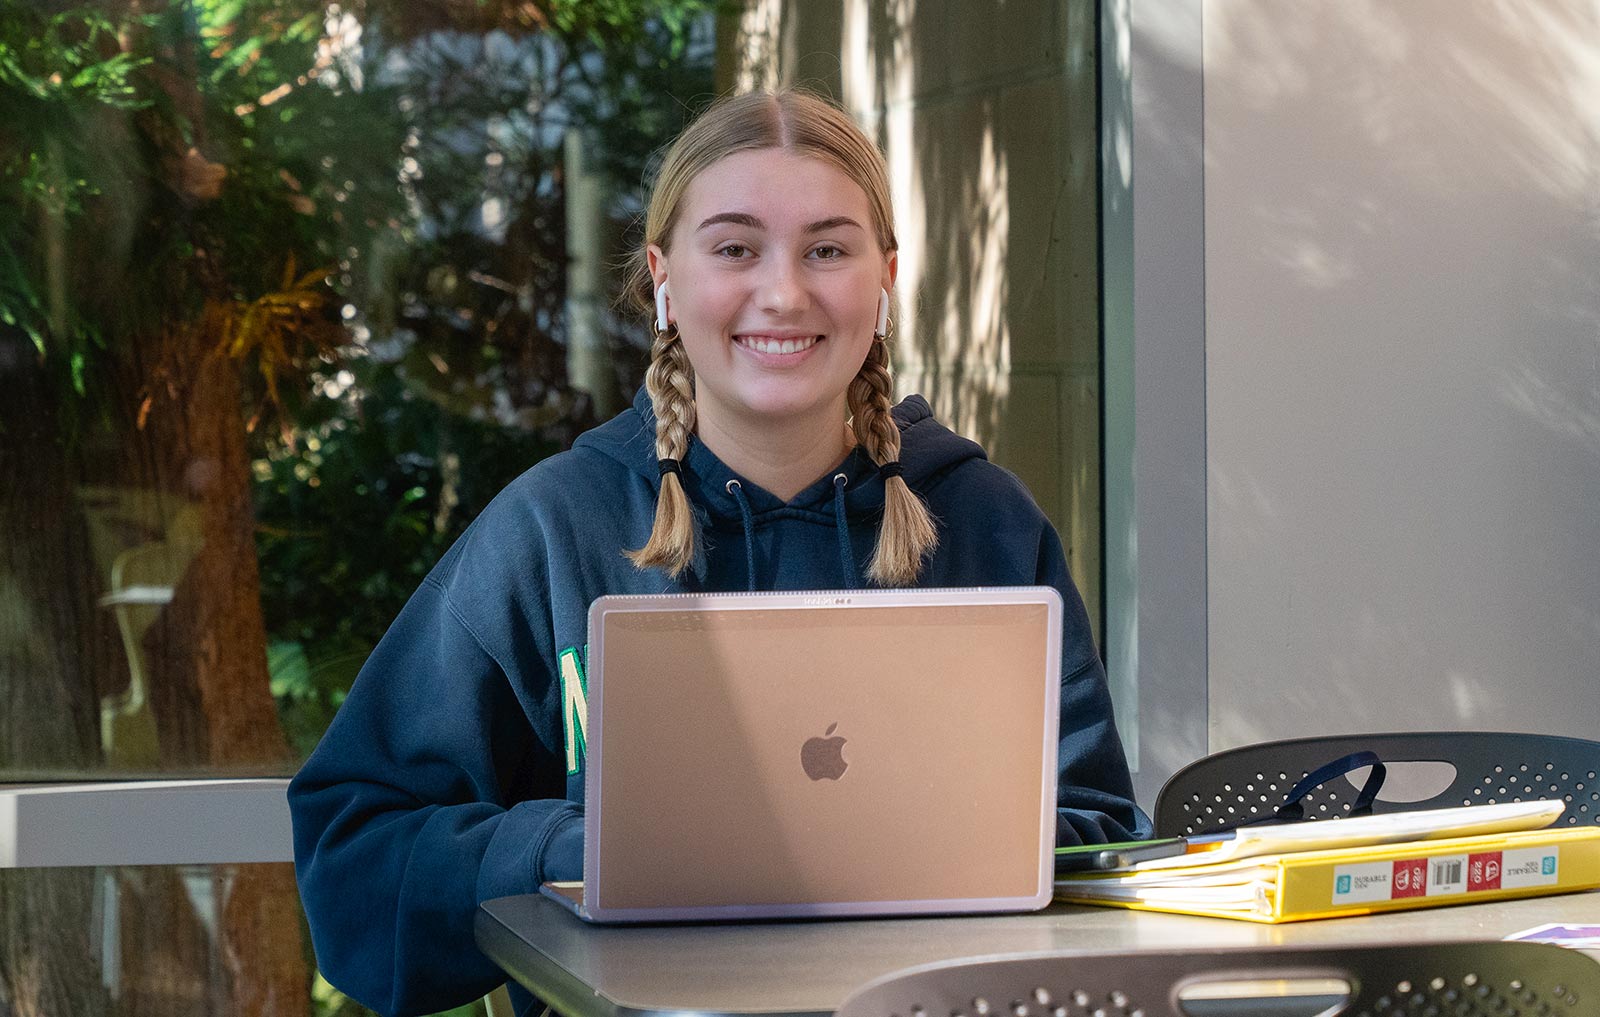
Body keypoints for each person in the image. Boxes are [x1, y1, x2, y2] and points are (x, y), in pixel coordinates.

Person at [288, 88, 1151, 1017]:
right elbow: (355, 852)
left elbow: (1102, 836)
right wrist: (574, 850)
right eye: (735, 247)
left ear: (885, 277)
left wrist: (925, 843)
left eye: (827, 248)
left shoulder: (983, 521)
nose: (783, 292)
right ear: (664, 278)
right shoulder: (554, 527)